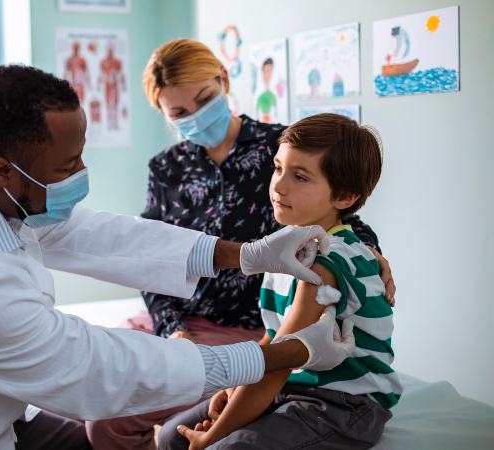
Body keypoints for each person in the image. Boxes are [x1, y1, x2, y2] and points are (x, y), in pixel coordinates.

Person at [0, 65, 356, 450]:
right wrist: (278, 356)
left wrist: (248, 254)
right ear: (5, 170)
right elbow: (93, 367)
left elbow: (97, 235)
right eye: (67, 164)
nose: (80, 176)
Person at [85, 39, 395, 450]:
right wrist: (172, 329)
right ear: (163, 114)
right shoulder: (165, 168)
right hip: (196, 323)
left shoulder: (280, 146)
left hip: (254, 330)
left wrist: (372, 256)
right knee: (105, 418)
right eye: (179, 112)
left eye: (205, 99)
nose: (195, 116)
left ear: (224, 81)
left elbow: (342, 221)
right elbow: (152, 256)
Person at [162, 114, 401, 450]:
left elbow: (279, 363)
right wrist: (231, 389)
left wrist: (212, 437)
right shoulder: (284, 249)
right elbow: (272, 339)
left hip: (341, 403)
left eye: (300, 177)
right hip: (293, 386)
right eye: (278, 168)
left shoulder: (325, 265)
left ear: (345, 197)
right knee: (169, 436)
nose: (279, 185)